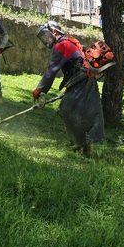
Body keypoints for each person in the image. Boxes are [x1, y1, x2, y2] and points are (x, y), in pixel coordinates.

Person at [32, 20, 104, 155]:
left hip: (81, 82)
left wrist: (39, 90)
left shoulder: (61, 45)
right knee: (82, 112)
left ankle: (79, 145)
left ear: (54, 32)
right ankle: (85, 147)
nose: (45, 39)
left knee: (66, 109)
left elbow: (51, 71)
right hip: (86, 80)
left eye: (46, 35)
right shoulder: (70, 42)